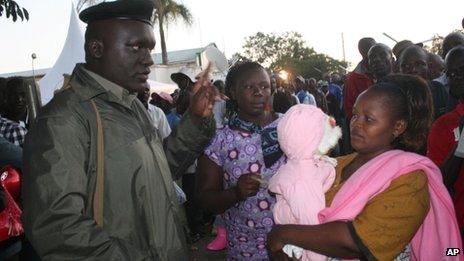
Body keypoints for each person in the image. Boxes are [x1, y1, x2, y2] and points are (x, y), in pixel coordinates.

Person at [22, 1, 219, 260]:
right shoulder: (64, 119)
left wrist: (194, 119)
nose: (148, 59)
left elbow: (161, 170)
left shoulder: (131, 105)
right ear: (96, 49)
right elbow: (59, 228)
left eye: (150, 48)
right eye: (136, 46)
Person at [267, 74, 462, 260]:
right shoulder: (337, 163)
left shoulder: (411, 179)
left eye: (368, 119)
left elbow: (356, 242)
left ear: (398, 126)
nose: (356, 125)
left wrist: (283, 234)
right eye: (354, 116)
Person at [197, 61, 286, 260]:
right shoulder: (219, 139)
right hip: (246, 248)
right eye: (248, 87)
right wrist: (235, 193)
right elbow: (205, 198)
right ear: (233, 92)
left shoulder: (288, 126)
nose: (258, 93)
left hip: (292, 244)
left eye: (264, 86)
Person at [268, 104, 341, 261]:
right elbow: (313, 231)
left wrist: (325, 164)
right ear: (313, 140)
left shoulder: (301, 162)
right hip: (308, 249)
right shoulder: (303, 181)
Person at [427, 46, 464, 234]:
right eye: (450, 72)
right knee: (451, 254)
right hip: (460, 228)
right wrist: (461, 146)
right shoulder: (443, 125)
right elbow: (439, 181)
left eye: (461, 70)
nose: (455, 76)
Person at [399, 45, 448, 119]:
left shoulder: (439, 89)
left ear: (429, 66)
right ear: (399, 69)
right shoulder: (396, 95)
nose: (413, 69)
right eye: (406, 65)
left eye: (419, 64)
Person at [343, 37, 376, 121]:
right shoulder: (353, 78)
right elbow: (350, 109)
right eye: (373, 48)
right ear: (363, 52)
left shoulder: (385, 70)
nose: (376, 50)